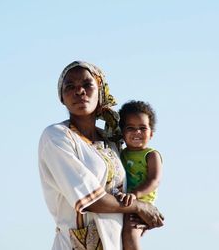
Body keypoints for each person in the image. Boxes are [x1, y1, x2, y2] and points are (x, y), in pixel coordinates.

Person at [38, 61, 164, 250]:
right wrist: (139, 207)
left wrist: (140, 216)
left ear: (101, 90)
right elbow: (92, 199)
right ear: (62, 98)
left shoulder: (111, 141)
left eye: (87, 84)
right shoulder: (56, 136)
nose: (79, 91)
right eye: (70, 86)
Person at [117, 100, 163, 250]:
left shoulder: (151, 155)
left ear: (151, 134)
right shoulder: (120, 153)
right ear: (122, 133)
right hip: (125, 202)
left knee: (130, 233)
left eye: (142, 128)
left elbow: (154, 180)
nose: (137, 132)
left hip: (142, 203)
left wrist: (135, 194)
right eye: (131, 128)